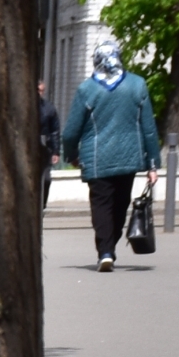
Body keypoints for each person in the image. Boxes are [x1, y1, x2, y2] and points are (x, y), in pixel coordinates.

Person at [62, 40, 161, 271]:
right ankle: (110, 247)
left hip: (96, 161)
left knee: (101, 206)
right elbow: (148, 128)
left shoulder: (87, 89)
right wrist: (153, 164)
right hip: (129, 160)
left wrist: (71, 155)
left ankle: (105, 251)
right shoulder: (137, 85)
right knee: (120, 204)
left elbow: (70, 132)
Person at [36, 79, 61, 214]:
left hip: (44, 148)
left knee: (46, 180)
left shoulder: (48, 108)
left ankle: (42, 205)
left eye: (42, 91)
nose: (40, 93)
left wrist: (56, 151)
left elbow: (55, 131)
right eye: (38, 90)